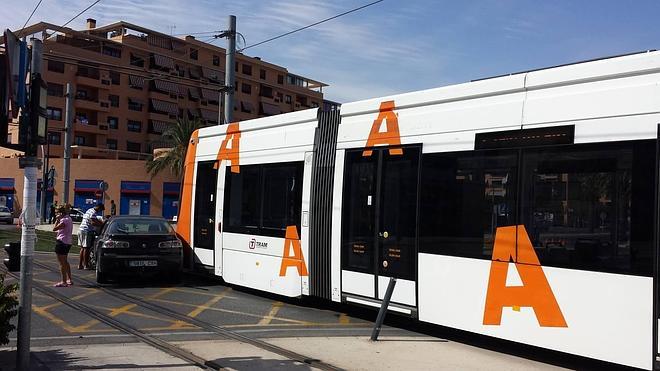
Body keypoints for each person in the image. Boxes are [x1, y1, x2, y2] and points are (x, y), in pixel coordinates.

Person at [78, 204, 104, 270]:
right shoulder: (93, 212)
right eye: (101, 210)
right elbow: (93, 222)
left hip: (81, 229)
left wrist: (99, 222)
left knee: (82, 248)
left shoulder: (89, 210)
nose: (100, 211)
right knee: (86, 248)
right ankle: (86, 265)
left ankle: (80, 264)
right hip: (87, 230)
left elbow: (93, 220)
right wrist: (102, 224)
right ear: (98, 207)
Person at [52, 205, 73, 287]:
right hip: (68, 242)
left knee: (61, 263)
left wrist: (57, 220)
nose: (56, 214)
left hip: (61, 242)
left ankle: (63, 281)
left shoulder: (63, 220)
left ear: (60, 213)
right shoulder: (69, 218)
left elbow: (54, 229)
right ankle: (69, 279)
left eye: (57, 213)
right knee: (65, 261)